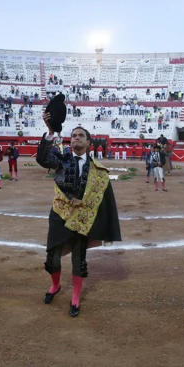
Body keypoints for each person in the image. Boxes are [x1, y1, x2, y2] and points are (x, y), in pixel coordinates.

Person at [37, 112, 121, 318]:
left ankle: (75, 297)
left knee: (78, 259)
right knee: (52, 259)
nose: (76, 137)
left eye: (81, 135)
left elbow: (102, 199)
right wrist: (50, 132)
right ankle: (55, 285)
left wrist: (83, 203)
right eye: (74, 135)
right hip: (60, 214)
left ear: (88, 142)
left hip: (83, 217)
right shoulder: (61, 158)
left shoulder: (98, 170)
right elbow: (42, 159)